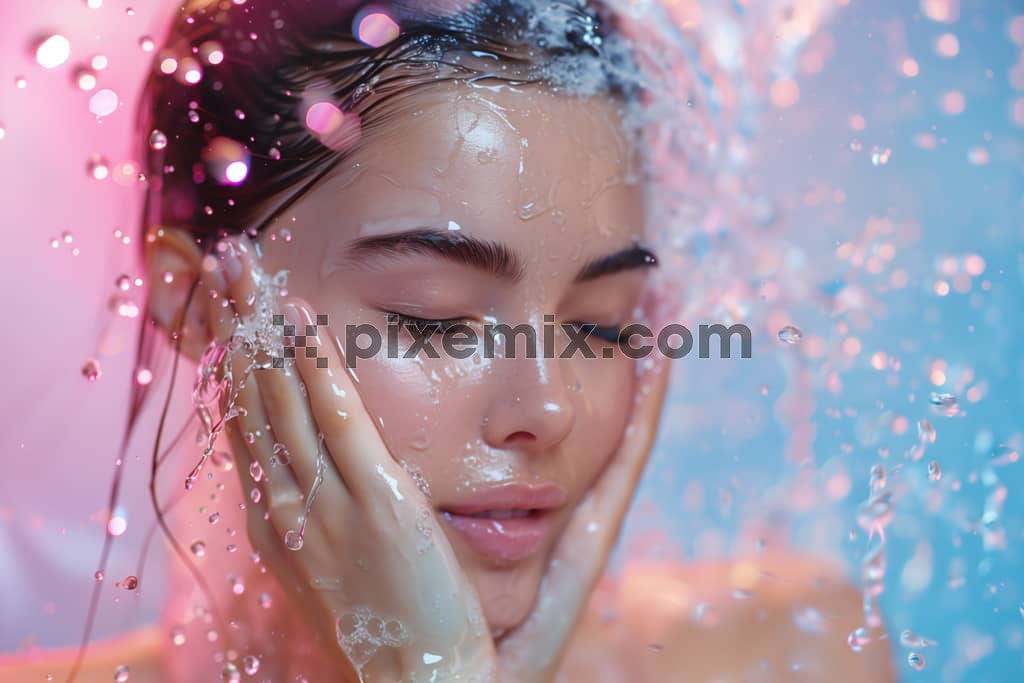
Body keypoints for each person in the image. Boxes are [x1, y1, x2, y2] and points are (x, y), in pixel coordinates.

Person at [0, 0, 895, 680]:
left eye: (599, 325)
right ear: (199, 303)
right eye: (433, 319)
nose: (545, 406)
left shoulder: (799, 652)